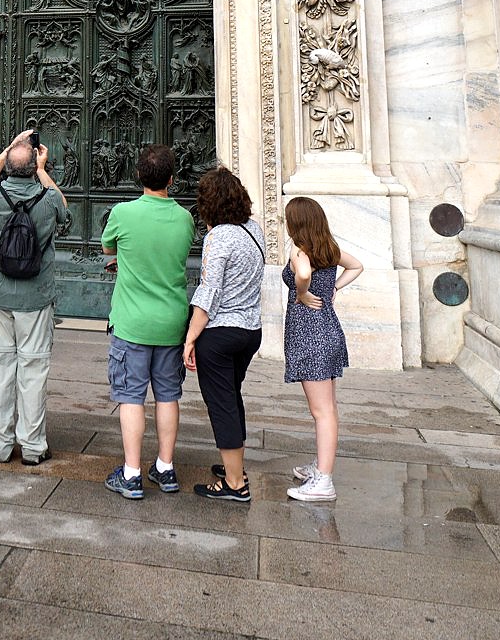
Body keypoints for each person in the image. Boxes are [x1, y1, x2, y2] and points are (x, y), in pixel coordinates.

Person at [100, 144, 194, 498]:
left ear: (138, 175)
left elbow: (108, 248)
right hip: (171, 322)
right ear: (172, 179)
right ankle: (166, 468)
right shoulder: (184, 218)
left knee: (131, 397)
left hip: (132, 323)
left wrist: (126, 259)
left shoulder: (123, 213)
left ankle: (132, 473)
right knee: (168, 396)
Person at [0, 129, 65, 465]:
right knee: (33, 369)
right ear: (34, 167)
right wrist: (42, 169)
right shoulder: (48, 199)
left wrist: (9, 148)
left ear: (9, 167)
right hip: (36, 297)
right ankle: (32, 446)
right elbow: (64, 208)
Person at [184, 166, 268, 503]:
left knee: (222, 405)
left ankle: (235, 483)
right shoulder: (254, 229)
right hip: (250, 330)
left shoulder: (218, 237)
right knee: (231, 398)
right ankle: (235, 466)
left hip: (220, 334)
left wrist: (190, 338)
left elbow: (209, 293)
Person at [282, 197, 362, 503]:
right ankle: (321, 466)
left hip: (311, 336)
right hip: (327, 330)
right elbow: (357, 266)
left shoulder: (299, 250)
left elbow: (303, 273)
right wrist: (334, 288)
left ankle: (324, 481)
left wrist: (303, 292)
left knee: (322, 411)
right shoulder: (328, 249)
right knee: (328, 408)